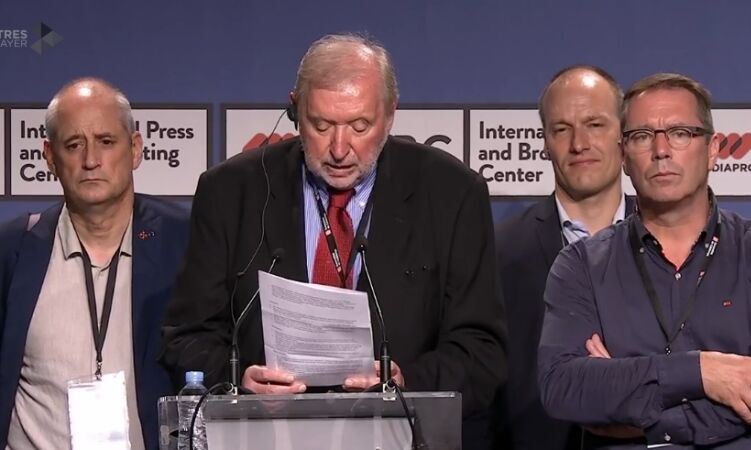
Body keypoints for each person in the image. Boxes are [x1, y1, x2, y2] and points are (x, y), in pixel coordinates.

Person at [160, 33, 506, 427]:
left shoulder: (452, 194)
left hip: (398, 435)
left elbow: (482, 351)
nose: (340, 149)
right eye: (321, 125)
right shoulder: (230, 192)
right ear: (295, 109)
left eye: (360, 126)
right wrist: (237, 383)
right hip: (268, 435)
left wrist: (406, 383)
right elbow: (186, 338)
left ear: (390, 113)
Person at [538, 72, 751, 448]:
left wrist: (635, 409)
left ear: (713, 149)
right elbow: (565, 387)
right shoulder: (581, 266)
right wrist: (701, 372)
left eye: (680, 133)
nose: (661, 150)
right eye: (642, 136)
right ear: (624, 156)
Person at [0, 78, 189, 449]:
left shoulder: (186, 242)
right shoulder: (13, 249)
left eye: (106, 141)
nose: (90, 160)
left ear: (135, 149)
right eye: (73, 145)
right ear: (49, 157)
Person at [492, 65, 634, 450]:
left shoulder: (669, 242)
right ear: (544, 142)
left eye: (595, 125)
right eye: (561, 129)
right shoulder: (500, 250)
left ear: (623, 134)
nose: (579, 143)